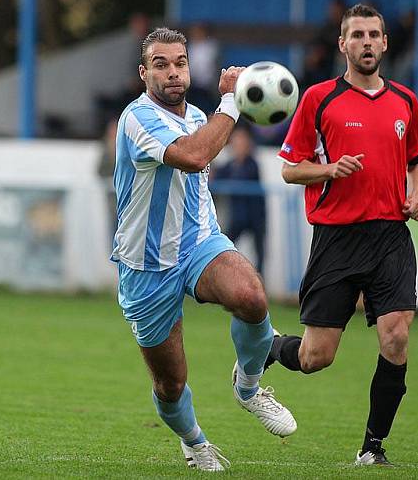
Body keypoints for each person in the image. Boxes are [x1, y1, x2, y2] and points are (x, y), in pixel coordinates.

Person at [111, 27, 296, 471]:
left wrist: (228, 107)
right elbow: (194, 156)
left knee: (250, 295)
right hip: (147, 264)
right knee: (170, 384)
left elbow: (203, 150)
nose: (172, 72)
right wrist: (233, 102)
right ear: (143, 73)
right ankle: (194, 442)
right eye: (160, 65)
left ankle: (249, 387)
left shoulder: (198, 115)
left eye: (179, 63)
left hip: (198, 242)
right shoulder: (137, 118)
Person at [269, 4, 418, 466]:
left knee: (396, 337)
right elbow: (288, 169)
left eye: (374, 34)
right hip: (337, 239)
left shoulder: (406, 101)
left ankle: (372, 448)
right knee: (317, 357)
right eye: (356, 34)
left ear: (384, 43)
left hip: (390, 236)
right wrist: (329, 169)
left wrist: (415, 195)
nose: (366, 42)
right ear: (342, 44)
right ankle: (270, 348)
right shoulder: (319, 99)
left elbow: (416, 165)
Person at [213, 126, 266, 275]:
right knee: (224, 246)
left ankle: (259, 281)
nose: (239, 144)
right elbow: (216, 177)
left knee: (259, 252)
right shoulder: (230, 165)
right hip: (238, 216)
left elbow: (242, 178)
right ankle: (223, 277)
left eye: (242, 141)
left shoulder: (252, 164)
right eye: (236, 141)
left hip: (256, 216)